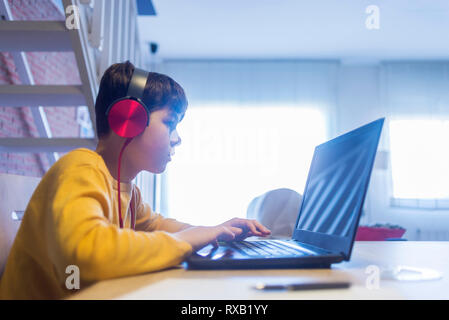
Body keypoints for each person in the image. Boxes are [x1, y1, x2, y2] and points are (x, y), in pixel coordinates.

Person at [0, 61, 270, 300]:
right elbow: (83, 254)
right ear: (129, 120)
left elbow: (155, 225)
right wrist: (188, 240)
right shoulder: (81, 167)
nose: (177, 138)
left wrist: (213, 231)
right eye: (170, 123)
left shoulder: (127, 190)